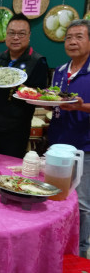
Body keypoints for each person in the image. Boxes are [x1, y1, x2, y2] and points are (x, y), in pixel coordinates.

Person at [0, 13, 49, 158]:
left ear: (29, 36)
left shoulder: (37, 61)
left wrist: (22, 88)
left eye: (21, 34)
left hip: (17, 130)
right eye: (11, 33)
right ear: (6, 35)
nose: (16, 38)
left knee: (11, 171)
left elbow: (40, 97)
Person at [47, 19, 90, 258]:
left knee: (82, 205)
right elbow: (56, 103)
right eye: (69, 37)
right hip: (58, 146)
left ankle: (80, 255)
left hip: (85, 147)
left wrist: (82, 108)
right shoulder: (61, 71)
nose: (72, 42)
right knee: (56, 197)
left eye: (79, 37)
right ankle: (57, 248)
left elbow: (77, 105)